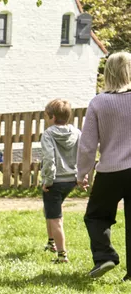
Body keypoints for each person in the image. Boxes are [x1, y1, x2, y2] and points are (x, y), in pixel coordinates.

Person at [79, 51, 131, 279]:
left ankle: (105, 256)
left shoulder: (99, 102)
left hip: (110, 171)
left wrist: (82, 173)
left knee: (97, 215)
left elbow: (87, 145)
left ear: (107, 72)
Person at [39, 99, 80, 264]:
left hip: (54, 181)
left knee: (56, 218)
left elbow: (49, 159)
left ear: (52, 117)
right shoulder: (77, 132)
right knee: (50, 209)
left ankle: (62, 255)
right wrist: (81, 176)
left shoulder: (48, 134)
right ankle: (51, 242)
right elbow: (83, 153)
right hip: (71, 179)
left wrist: (48, 180)